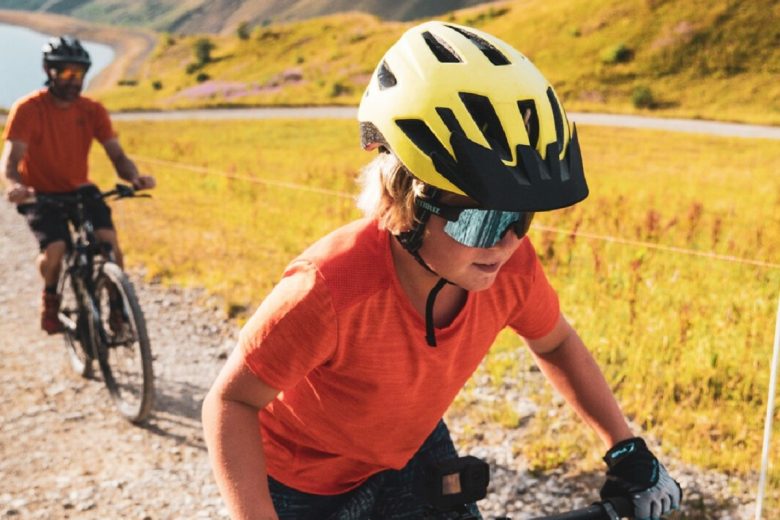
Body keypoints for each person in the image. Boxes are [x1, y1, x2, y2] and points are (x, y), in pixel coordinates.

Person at [202, 21, 681, 520]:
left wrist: (623, 445)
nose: (507, 241)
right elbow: (229, 403)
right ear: (405, 201)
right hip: (302, 481)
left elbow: (556, 341)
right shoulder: (327, 289)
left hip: (405, 452)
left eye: (522, 216)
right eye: (480, 218)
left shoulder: (510, 267)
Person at [1, 35, 155, 334]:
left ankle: (117, 308)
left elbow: (117, 154)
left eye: (80, 74)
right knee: (56, 248)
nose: (75, 80)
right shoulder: (29, 109)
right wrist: (14, 185)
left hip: (81, 188)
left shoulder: (92, 110)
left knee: (109, 242)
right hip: (40, 192)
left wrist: (134, 177)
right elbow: (11, 159)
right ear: (50, 72)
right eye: (67, 73)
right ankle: (50, 299)